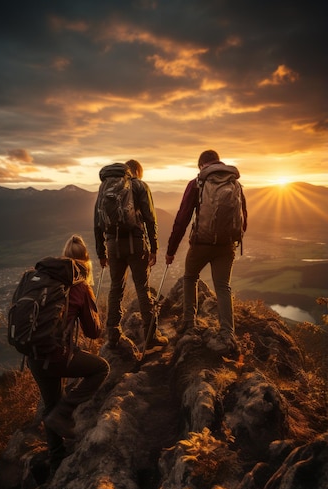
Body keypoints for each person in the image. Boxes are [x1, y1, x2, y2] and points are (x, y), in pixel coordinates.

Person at [28, 234, 110, 474]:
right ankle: (65, 411)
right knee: (101, 368)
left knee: (50, 405)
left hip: (34, 355)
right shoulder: (81, 286)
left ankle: (56, 462)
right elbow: (93, 332)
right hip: (57, 356)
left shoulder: (44, 279)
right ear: (85, 261)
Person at [165, 150, 247, 355]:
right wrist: (233, 240)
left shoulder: (197, 183)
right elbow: (243, 216)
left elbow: (182, 217)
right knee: (223, 287)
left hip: (201, 243)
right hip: (226, 245)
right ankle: (227, 333)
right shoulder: (234, 182)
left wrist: (171, 249)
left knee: (190, 278)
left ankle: (189, 324)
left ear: (201, 165)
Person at [94, 159, 168, 349]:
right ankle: (150, 336)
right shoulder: (139, 185)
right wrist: (154, 247)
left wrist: (101, 252)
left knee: (116, 288)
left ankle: (113, 335)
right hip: (136, 244)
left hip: (113, 245)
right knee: (142, 288)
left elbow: (97, 222)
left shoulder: (104, 187)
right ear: (136, 171)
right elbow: (150, 218)